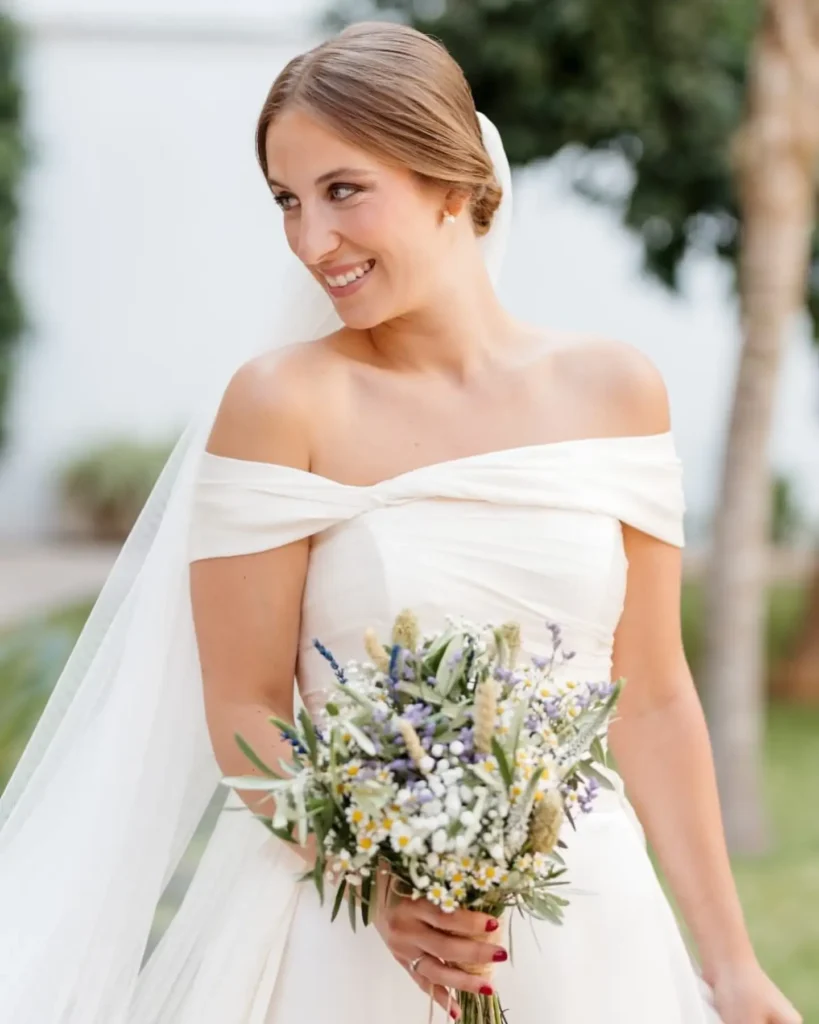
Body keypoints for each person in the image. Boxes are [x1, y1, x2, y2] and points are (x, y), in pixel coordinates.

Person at [0, 21, 801, 1024]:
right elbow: (246, 706)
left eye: (343, 191)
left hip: (597, 925)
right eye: (286, 202)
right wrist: (377, 882)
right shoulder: (282, 404)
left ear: (456, 184)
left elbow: (652, 699)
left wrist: (728, 965)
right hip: (354, 941)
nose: (308, 240)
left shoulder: (617, 390)